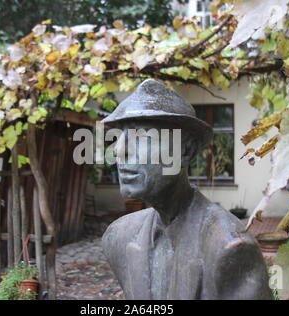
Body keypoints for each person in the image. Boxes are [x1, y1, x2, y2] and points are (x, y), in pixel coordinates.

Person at [101, 79, 273, 300]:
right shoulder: (118, 238)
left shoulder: (229, 249)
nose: (120, 151)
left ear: (186, 151)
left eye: (142, 137)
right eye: (119, 137)